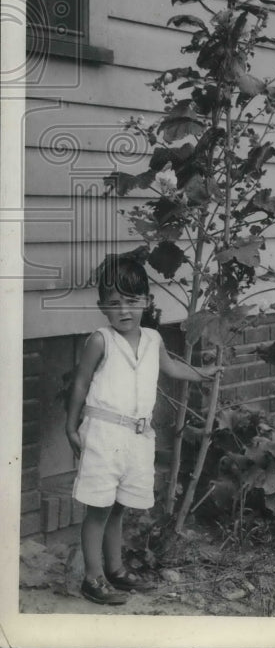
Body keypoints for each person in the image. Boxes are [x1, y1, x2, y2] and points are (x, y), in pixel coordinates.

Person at [66, 254, 222, 605]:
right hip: (104, 434)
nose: (125, 310)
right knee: (99, 508)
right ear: (102, 306)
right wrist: (70, 424)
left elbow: (171, 368)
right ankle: (92, 579)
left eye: (133, 301)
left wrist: (203, 374)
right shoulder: (100, 341)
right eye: (115, 302)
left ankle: (116, 570)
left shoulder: (153, 339)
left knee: (119, 506)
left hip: (137, 437)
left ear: (147, 302)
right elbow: (79, 383)